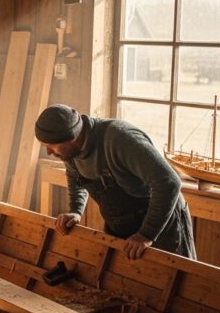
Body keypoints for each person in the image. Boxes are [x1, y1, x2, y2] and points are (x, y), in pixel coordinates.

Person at [35, 104, 196, 261]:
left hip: (161, 227)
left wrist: (147, 234)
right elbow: (74, 176)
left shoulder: (119, 139)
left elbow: (169, 182)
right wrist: (76, 210)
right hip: (121, 226)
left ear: (72, 137)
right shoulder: (70, 152)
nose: (48, 152)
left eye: (51, 146)